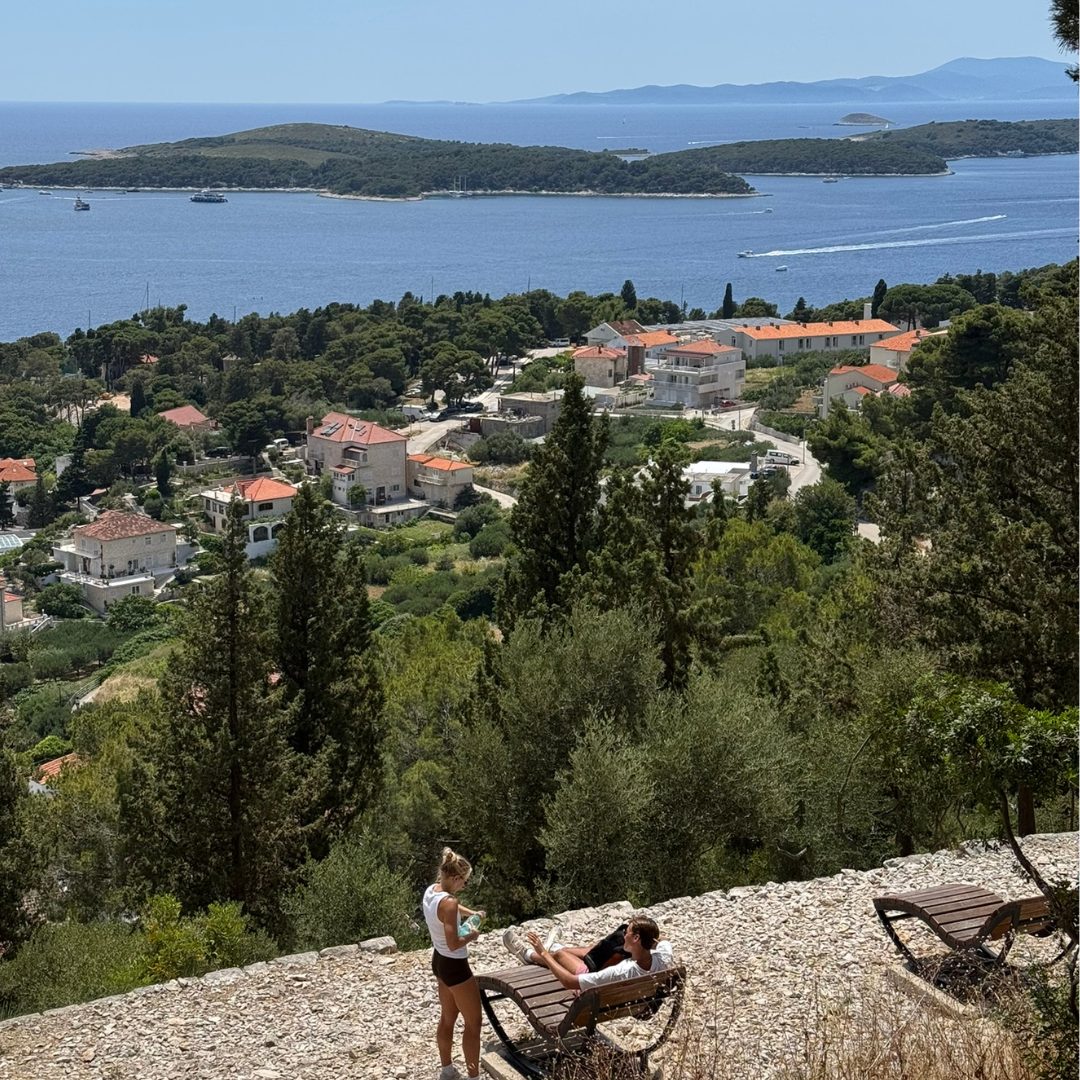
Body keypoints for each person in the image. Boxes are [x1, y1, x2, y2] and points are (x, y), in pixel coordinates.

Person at [423, 847, 485, 1080]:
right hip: (455, 966)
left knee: (448, 1017)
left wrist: (472, 913)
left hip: (438, 962)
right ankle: (474, 1076)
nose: (464, 886)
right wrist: (472, 935)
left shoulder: (431, 891)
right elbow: (454, 942)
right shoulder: (449, 902)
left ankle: (447, 1070)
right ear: (456, 878)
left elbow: (450, 908)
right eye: (464, 882)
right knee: (474, 1023)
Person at [503, 917, 675, 991]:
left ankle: (529, 955)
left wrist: (544, 954)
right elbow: (663, 940)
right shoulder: (663, 957)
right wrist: (646, 940)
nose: (623, 935)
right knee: (593, 949)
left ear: (636, 938)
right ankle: (553, 946)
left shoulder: (623, 971)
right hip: (631, 998)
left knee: (560, 955)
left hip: (591, 997)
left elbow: (570, 983)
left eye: (627, 933)